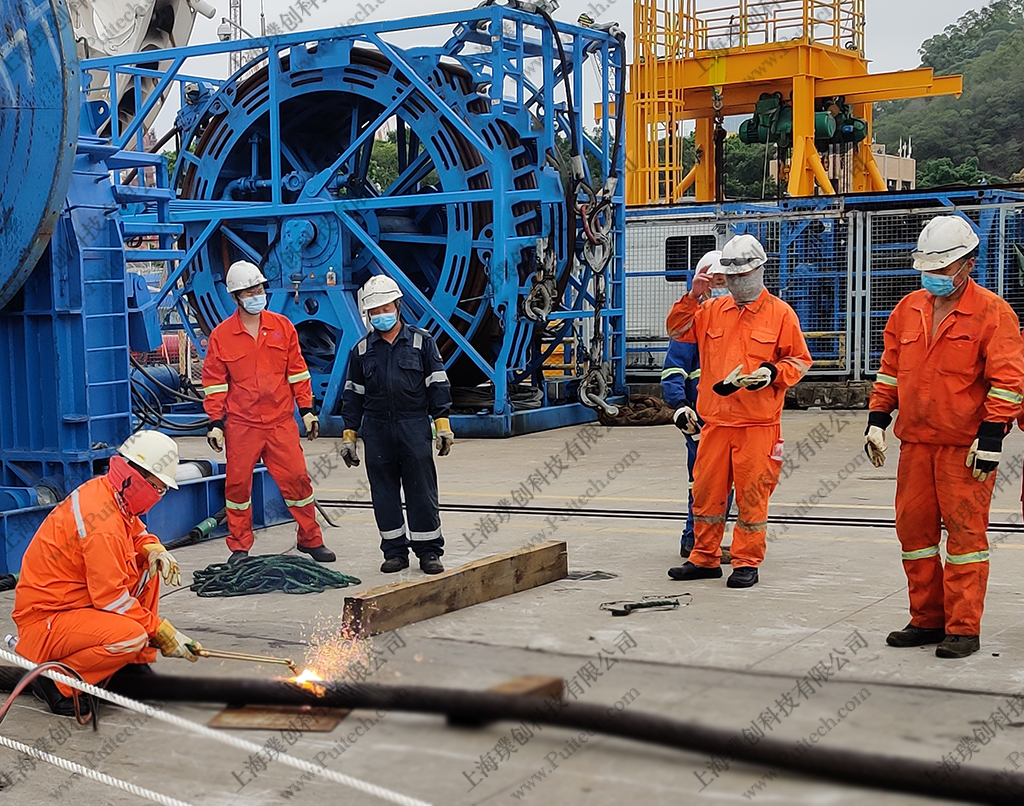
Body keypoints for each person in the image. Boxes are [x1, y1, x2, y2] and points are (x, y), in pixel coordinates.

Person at [866, 215, 1024, 659]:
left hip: (964, 450)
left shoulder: (993, 313)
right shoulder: (907, 309)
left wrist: (992, 435)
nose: (934, 275)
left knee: (965, 541)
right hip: (916, 444)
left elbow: (1008, 380)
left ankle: (963, 628)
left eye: (943, 267)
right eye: (928, 267)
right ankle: (927, 619)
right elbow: (891, 370)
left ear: (969, 263)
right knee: (913, 535)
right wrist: (877, 418)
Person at [12, 432, 201, 716]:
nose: (159, 496)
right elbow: (110, 599)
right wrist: (159, 630)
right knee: (130, 636)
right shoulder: (102, 526)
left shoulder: (110, 492)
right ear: (137, 478)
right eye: (158, 488)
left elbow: (135, 531)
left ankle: (132, 668)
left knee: (149, 567)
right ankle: (58, 682)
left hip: (73, 604)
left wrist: (153, 549)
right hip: (47, 620)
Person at [666, 234, 812, 588]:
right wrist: (693, 295)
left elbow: (799, 360)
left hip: (757, 425)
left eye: (742, 276)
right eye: (731, 278)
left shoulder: (780, 314)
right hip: (716, 423)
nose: (736, 283)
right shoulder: (712, 311)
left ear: (760, 271)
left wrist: (773, 373)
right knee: (706, 494)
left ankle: (746, 561)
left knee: (751, 497)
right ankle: (704, 557)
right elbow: (677, 329)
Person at [202, 261, 335, 564]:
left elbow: (298, 372)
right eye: (249, 292)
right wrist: (216, 423)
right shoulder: (222, 336)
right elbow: (214, 384)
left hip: (279, 422)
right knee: (237, 487)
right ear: (235, 297)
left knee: (298, 481)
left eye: (259, 289)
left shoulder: (282, 327)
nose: (256, 295)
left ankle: (310, 539)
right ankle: (239, 547)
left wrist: (307, 410)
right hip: (242, 424)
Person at [340, 275, 454, 575]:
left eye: (385, 308)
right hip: (376, 429)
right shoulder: (361, 350)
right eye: (375, 311)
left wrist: (442, 424)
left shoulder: (421, 342)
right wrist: (350, 435)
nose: (381, 315)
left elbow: (437, 384)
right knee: (384, 493)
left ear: (398, 306)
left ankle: (429, 552)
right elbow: (353, 395)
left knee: (422, 492)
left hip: (413, 425)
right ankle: (394, 552)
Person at [662, 250, 732, 563]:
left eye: (725, 281)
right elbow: (673, 370)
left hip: (731, 418)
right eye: (715, 282)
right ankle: (694, 540)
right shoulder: (694, 323)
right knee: (703, 483)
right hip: (700, 420)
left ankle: (705, 540)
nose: (721, 288)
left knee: (726, 484)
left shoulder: (736, 321)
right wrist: (680, 406)